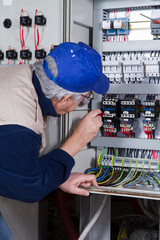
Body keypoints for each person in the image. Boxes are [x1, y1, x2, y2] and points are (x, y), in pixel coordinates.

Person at [0, 41, 109, 239]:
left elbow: (17, 167)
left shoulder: (21, 74)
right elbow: (28, 189)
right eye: (85, 98)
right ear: (66, 99)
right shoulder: (19, 125)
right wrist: (76, 140)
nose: (84, 102)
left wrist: (59, 177)